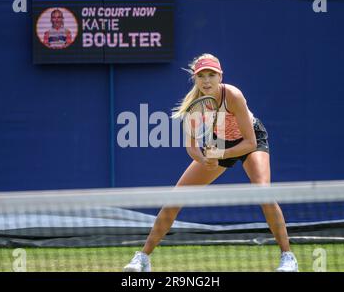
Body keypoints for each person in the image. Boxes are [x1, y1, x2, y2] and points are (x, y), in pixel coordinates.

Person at [123, 53, 298, 272]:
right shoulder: (194, 106)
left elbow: (250, 142)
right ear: (195, 79)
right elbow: (192, 147)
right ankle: (143, 258)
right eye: (201, 76)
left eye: (211, 75)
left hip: (250, 139)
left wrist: (219, 155)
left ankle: (288, 257)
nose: (206, 80)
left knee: (264, 193)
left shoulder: (233, 95)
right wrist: (205, 159)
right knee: (175, 198)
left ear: (220, 76)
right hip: (220, 143)